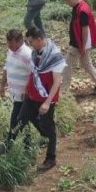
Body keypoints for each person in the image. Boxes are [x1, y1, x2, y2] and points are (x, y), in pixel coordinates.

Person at [17, 27, 65, 171]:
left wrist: (47, 102)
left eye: (31, 42)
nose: (30, 45)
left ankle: (51, 158)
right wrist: (26, 87)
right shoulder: (35, 52)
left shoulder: (55, 56)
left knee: (49, 127)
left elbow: (57, 81)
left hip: (45, 97)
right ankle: (36, 140)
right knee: (22, 118)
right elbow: (33, 72)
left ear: (39, 40)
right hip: (32, 94)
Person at [61, 0, 96, 95]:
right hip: (81, 43)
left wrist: (83, 46)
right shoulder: (80, 6)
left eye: (67, 1)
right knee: (86, 64)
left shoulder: (82, 11)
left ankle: (64, 90)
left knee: (66, 65)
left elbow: (85, 29)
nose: (67, 3)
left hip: (79, 43)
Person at [0, 29, 32, 146]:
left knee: (15, 120)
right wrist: (2, 86)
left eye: (12, 43)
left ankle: (8, 145)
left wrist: (28, 90)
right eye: (8, 43)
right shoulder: (11, 51)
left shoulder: (27, 54)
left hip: (24, 95)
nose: (10, 46)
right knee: (25, 120)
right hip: (16, 93)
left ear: (20, 41)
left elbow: (33, 74)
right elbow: (6, 68)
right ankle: (29, 142)